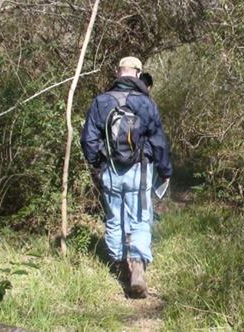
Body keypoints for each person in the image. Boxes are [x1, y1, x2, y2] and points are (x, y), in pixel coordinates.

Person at [81, 56, 172, 298]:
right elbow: (158, 141)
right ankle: (138, 266)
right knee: (140, 217)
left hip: (110, 170)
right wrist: (165, 170)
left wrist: (97, 166)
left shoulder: (101, 101)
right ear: (139, 73)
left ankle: (121, 265)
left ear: (118, 72)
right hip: (139, 171)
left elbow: (88, 140)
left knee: (114, 217)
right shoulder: (145, 103)